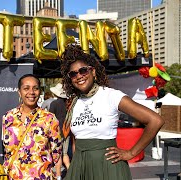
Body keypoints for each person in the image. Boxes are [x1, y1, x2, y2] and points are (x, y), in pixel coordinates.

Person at [60, 45, 164, 180]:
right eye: (73, 74)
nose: (79, 76)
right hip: (80, 166)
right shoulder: (74, 103)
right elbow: (76, 140)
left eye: (83, 70)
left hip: (108, 166)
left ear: (93, 72)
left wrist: (131, 153)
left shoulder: (111, 96)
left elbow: (155, 121)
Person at [2, 74, 63, 179]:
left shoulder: (49, 119)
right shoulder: (8, 117)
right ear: (19, 92)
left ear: (40, 92)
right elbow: (7, 152)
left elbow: (56, 154)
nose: (31, 92)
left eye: (35, 88)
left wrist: (58, 176)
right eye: (26, 88)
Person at [49, 83, 71, 174]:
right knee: (65, 153)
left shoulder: (54, 103)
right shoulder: (67, 104)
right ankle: (70, 172)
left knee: (57, 155)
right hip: (66, 130)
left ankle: (58, 175)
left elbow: (50, 118)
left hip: (57, 131)